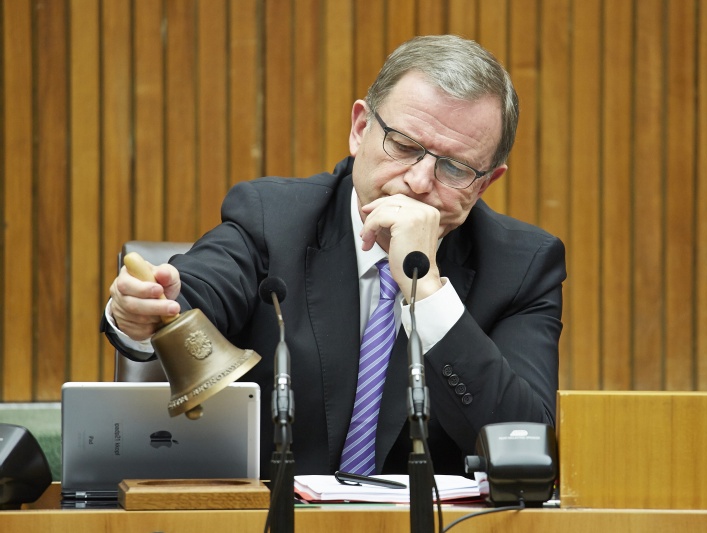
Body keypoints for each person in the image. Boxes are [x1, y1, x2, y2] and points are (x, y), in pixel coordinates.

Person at [102, 34, 566, 477]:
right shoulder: (273, 219)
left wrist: (425, 292)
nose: (421, 182)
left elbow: (523, 442)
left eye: (455, 168)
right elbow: (193, 293)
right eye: (404, 146)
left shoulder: (522, 267)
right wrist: (144, 311)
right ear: (360, 128)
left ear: (485, 183)